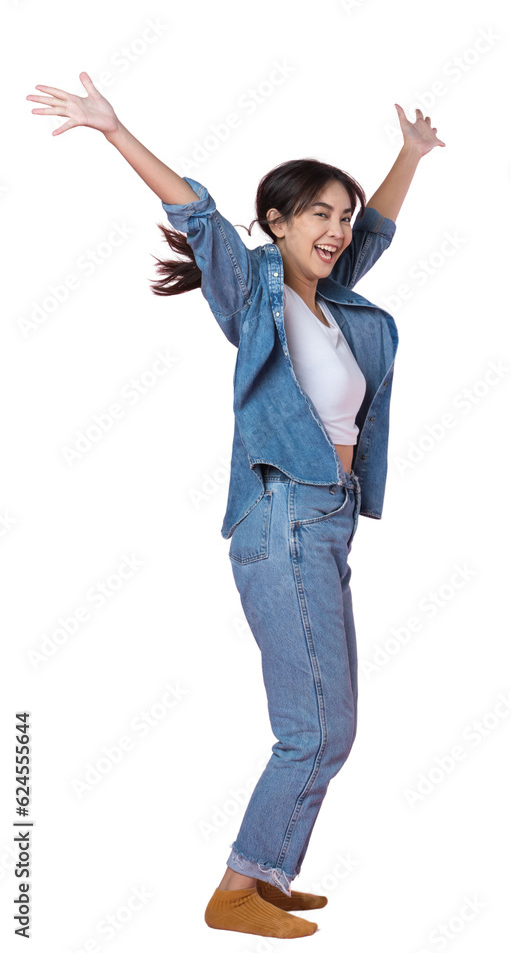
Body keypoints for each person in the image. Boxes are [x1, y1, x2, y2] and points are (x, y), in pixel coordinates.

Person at [27, 74, 445, 939]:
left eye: (342, 216)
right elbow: (201, 218)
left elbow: (373, 233)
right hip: (282, 514)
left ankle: (269, 874)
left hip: (323, 519)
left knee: (330, 721)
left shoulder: (334, 303)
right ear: (278, 224)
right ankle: (236, 891)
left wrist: (406, 157)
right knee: (316, 726)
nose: (335, 230)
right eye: (316, 215)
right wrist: (115, 128)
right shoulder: (255, 292)